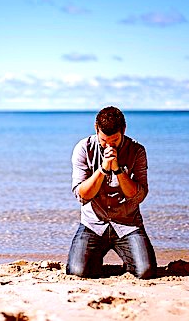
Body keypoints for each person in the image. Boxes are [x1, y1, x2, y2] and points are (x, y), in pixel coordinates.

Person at [66, 106, 157, 279]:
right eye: (103, 140)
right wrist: (103, 169)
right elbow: (82, 195)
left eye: (114, 141)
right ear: (96, 129)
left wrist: (117, 170)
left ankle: (127, 261)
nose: (108, 145)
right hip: (93, 224)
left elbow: (138, 196)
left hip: (128, 224)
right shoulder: (84, 148)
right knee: (76, 273)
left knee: (146, 272)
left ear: (123, 130)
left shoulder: (137, 150)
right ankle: (94, 262)